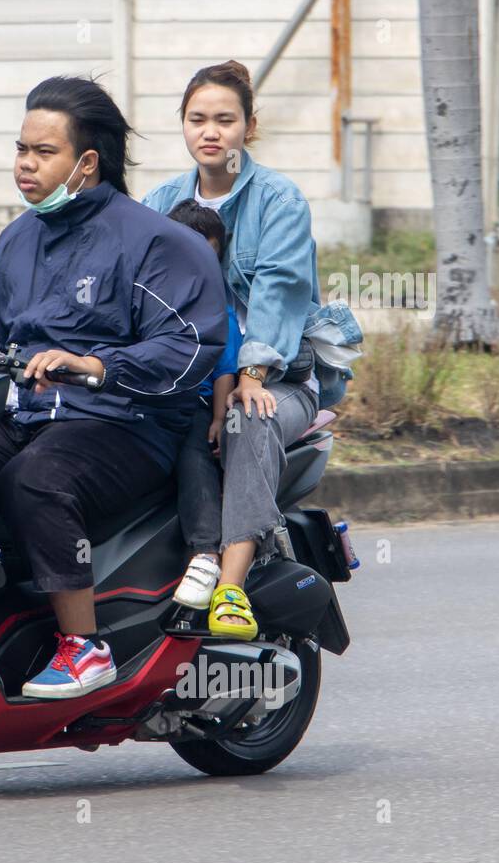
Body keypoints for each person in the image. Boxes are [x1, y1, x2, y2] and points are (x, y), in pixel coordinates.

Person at [0, 75, 226, 698]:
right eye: (20, 150)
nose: (24, 166)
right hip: (30, 416)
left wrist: (94, 366)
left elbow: (190, 346)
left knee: (33, 480)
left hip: (128, 425)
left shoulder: (155, 244)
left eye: (43, 153)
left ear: (86, 163)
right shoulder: (18, 239)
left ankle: (83, 648)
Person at [143, 60, 350, 639]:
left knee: (245, 417)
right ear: (183, 126)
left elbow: (281, 291)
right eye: (197, 118)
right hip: (190, 375)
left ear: (248, 128)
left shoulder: (278, 200)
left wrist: (252, 373)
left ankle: (229, 584)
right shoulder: (159, 202)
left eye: (225, 120)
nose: (210, 131)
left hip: (279, 379)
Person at [160, 200, 245, 611]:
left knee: (194, 456)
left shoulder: (218, 310)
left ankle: (206, 552)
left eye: (208, 258)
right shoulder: (150, 298)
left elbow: (225, 370)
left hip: (193, 406)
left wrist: (216, 418)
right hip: (149, 405)